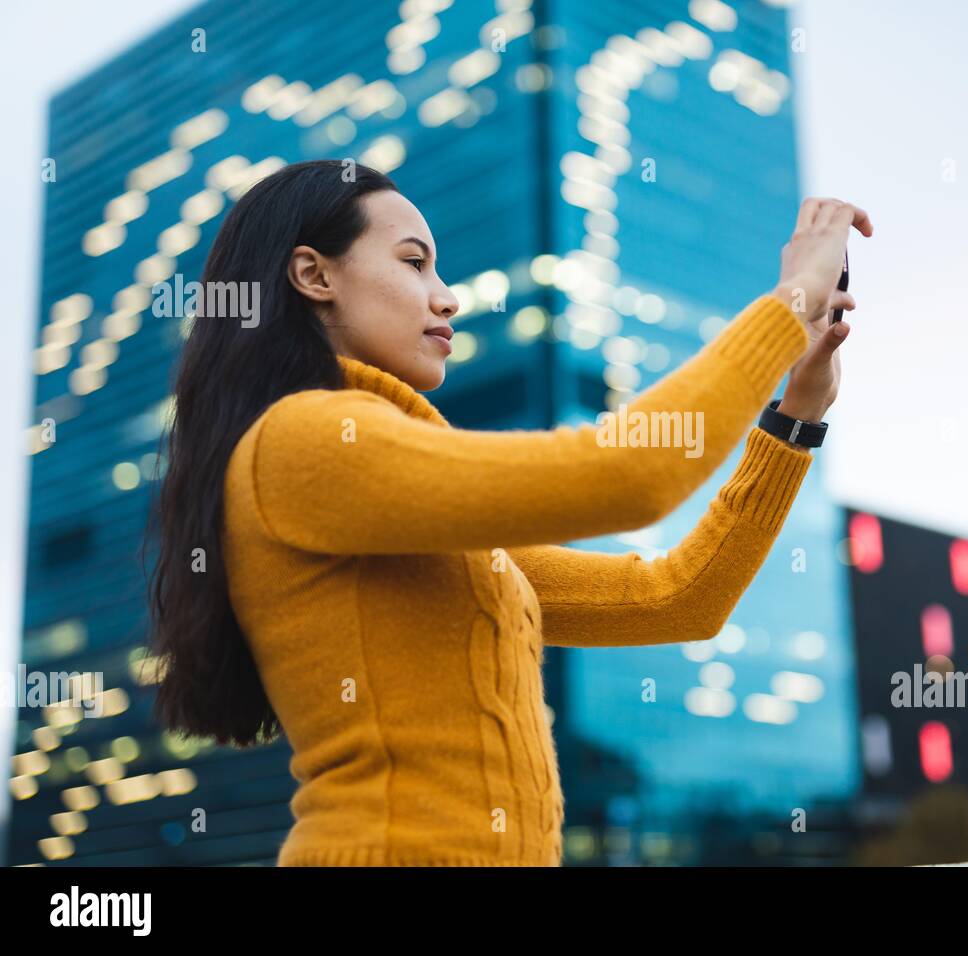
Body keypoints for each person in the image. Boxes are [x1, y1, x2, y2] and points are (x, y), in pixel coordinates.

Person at [146, 159, 870, 865]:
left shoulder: (423, 530)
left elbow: (679, 599)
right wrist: (791, 303)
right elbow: (632, 472)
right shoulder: (304, 442)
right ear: (314, 276)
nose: (447, 296)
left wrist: (796, 418)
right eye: (413, 262)